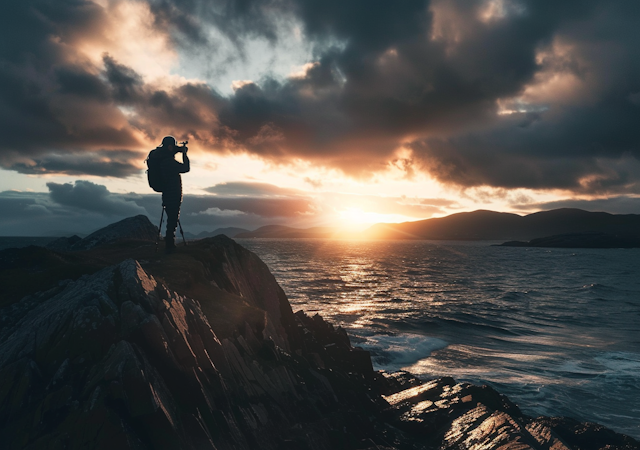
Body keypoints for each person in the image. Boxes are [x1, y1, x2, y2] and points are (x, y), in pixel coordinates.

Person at [157, 136, 190, 253]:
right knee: (173, 220)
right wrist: (184, 154)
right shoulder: (169, 162)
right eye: (173, 146)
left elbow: (172, 149)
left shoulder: (162, 159)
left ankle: (169, 243)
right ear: (169, 147)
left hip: (167, 195)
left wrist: (180, 149)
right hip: (173, 195)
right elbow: (186, 168)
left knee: (171, 219)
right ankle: (170, 245)